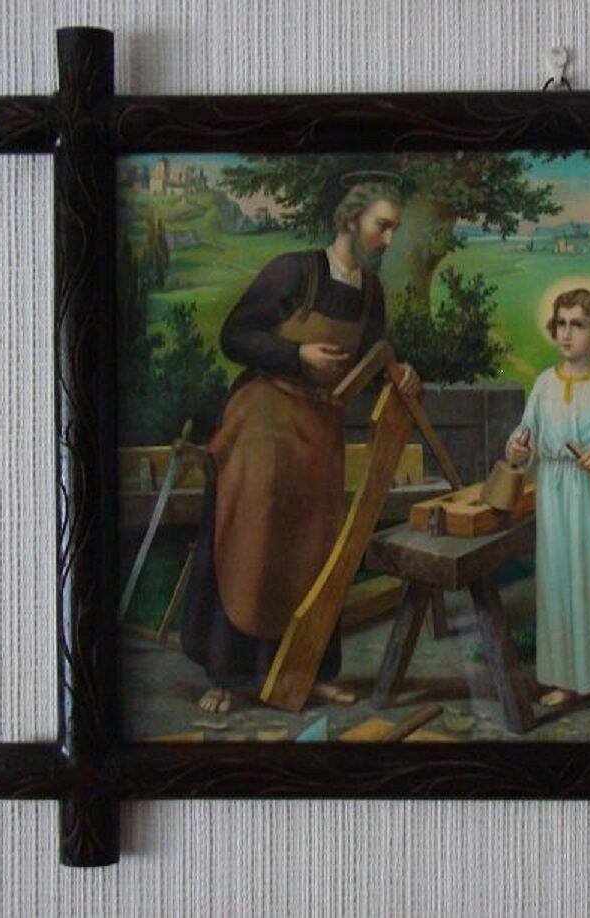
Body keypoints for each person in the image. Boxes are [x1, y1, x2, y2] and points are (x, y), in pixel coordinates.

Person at [180, 180, 421, 713]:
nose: (388, 239)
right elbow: (235, 337)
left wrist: (398, 373)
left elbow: (371, 361)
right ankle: (227, 675)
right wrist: (296, 355)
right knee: (250, 541)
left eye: (394, 230)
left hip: (320, 428)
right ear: (351, 220)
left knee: (315, 547)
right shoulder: (294, 271)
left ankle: (308, 671)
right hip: (263, 419)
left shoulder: (371, 292)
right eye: (382, 226)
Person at [505, 289, 590, 707]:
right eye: (561, 324)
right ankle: (563, 678)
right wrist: (518, 450)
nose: (566, 334)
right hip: (555, 493)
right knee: (559, 579)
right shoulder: (544, 384)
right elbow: (525, 436)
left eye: (577, 325)